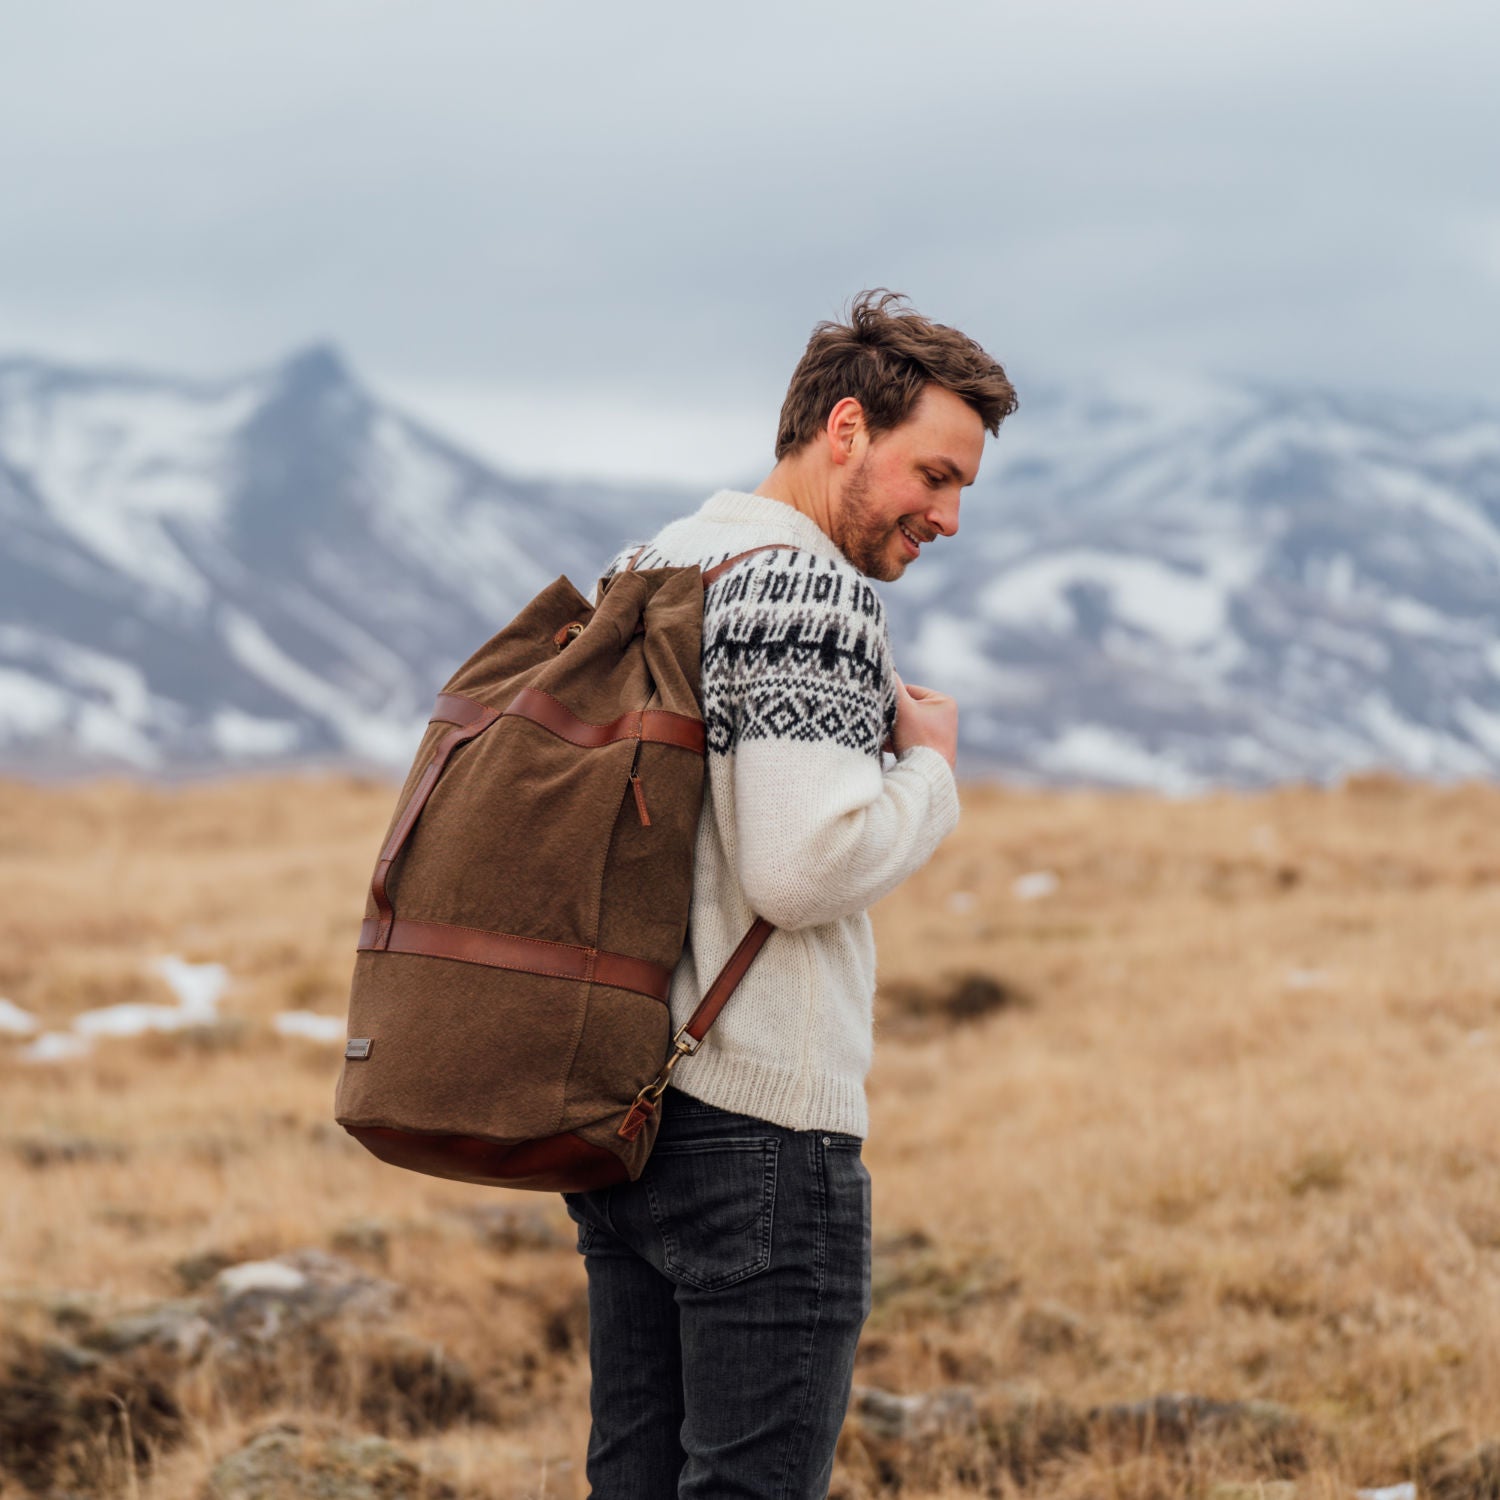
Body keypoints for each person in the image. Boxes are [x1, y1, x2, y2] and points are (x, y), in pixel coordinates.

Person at [563, 288, 1017, 1499]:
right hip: (759, 1130)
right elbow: (801, 865)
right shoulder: (804, 589)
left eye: (965, 487)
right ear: (847, 429)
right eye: (935, 474)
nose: (951, 516)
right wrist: (930, 775)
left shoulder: (659, 561)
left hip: (626, 1120)